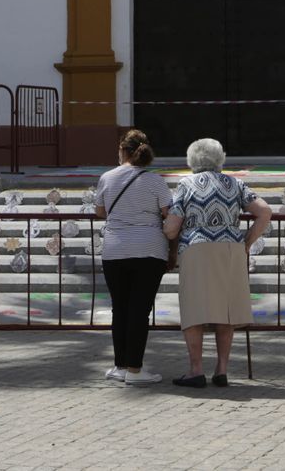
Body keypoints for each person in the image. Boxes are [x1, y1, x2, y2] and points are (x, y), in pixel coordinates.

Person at [163, 137, 273, 388]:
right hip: (231, 248)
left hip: (196, 249)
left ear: (192, 160)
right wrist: (246, 242)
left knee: (194, 310)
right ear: (220, 159)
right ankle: (221, 370)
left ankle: (196, 370)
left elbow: (171, 228)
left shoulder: (186, 184)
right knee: (227, 310)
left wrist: (165, 230)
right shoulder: (235, 183)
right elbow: (265, 212)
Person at [93, 129, 173, 385]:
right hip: (149, 250)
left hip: (115, 249)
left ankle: (121, 365)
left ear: (122, 150)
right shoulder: (156, 181)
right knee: (140, 310)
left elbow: (100, 211)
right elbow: (168, 213)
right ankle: (135, 370)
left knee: (120, 309)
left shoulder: (107, 177)